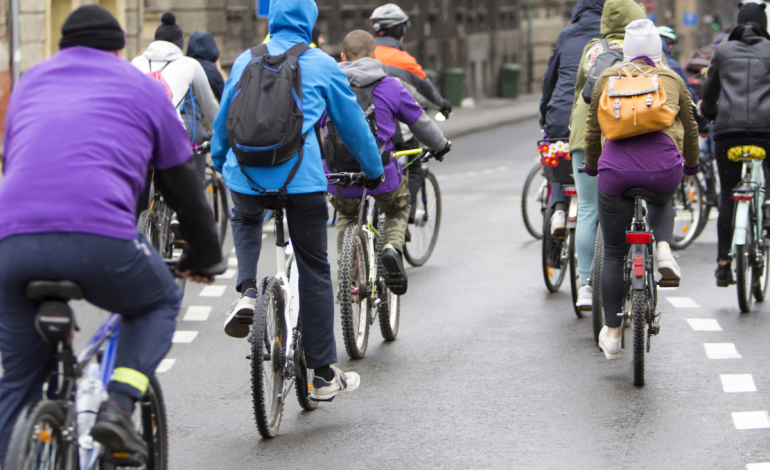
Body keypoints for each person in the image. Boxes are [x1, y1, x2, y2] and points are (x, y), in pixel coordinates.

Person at [0, 5, 225, 463]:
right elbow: (181, 178)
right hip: (98, 237)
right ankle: (119, 407)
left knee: (18, 382)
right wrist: (203, 254)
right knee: (160, 300)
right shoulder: (141, 87)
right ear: (120, 47)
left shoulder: (29, 84)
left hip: (12, 244)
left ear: (64, 44)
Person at [214, 0, 384, 401]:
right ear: (309, 23)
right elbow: (352, 124)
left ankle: (249, 292)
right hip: (301, 182)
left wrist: (223, 164)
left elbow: (223, 120)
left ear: (272, 21)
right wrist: (374, 171)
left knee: (245, 217)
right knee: (313, 267)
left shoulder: (243, 61)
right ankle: (323, 374)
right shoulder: (322, 64)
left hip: (246, 175)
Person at [585, 19, 698, 360]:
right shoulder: (672, 79)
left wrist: (593, 166)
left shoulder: (608, 79)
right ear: (658, 51)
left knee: (616, 253)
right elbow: (690, 128)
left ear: (627, 50)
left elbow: (592, 129)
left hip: (616, 172)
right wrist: (690, 164)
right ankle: (663, 247)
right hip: (662, 168)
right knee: (663, 198)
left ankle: (614, 331)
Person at [325, 30, 451, 294]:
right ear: (374, 55)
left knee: (346, 215)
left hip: (339, 176)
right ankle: (392, 248)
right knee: (398, 206)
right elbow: (421, 123)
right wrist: (441, 145)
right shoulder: (391, 86)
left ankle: (349, 273)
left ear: (342, 56)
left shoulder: (329, 87)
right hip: (382, 174)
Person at [568, 0, 646, 309]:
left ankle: (585, 283)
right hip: (627, 135)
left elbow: (578, 93)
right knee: (638, 200)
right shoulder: (642, 49)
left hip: (584, 134)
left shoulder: (592, 49)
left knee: (587, 208)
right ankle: (639, 267)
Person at [700, 2, 770, 287]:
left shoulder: (724, 51)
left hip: (728, 131)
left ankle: (723, 264)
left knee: (728, 194)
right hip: (766, 131)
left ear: (738, 22)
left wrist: (709, 114)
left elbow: (710, 92)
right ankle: (767, 209)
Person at [369, 3, 453, 232]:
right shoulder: (404, 60)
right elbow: (427, 91)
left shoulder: (366, 54)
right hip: (395, 129)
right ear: (399, 31)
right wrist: (443, 105)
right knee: (414, 165)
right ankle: (403, 220)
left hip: (365, 128)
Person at [539, 0, 604, 268]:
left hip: (559, 117)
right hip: (594, 120)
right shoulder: (607, 38)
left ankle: (557, 208)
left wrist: (546, 114)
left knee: (557, 159)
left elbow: (549, 79)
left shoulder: (567, 34)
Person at [131, 12, 219, 181]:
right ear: (180, 45)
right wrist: (220, 135)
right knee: (188, 196)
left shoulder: (136, 62)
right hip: (169, 135)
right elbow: (211, 108)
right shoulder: (190, 64)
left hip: (135, 133)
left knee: (137, 194)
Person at [182, 31, 225, 152]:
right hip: (194, 125)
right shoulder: (210, 69)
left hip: (174, 124)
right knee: (197, 167)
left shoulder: (182, 65)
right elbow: (224, 100)